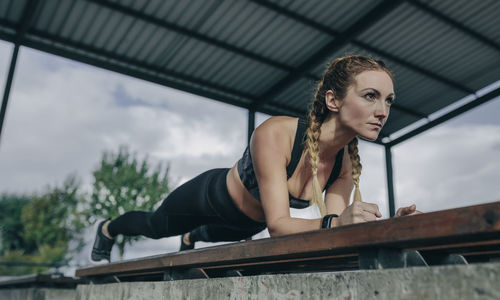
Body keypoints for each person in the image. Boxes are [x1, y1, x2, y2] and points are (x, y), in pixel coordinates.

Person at [90, 55, 420, 264]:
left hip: (245, 225)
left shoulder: (344, 165)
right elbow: (279, 225)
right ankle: (107, 228)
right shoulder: (277, 134)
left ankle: (192, 238)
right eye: (370, 96)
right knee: (155, 227)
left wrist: (388, 224)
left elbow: (329, 232)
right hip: (209, 198)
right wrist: (338, 222)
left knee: (204, 236)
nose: (383, 112)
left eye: (389, 101)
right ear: (333, 100)